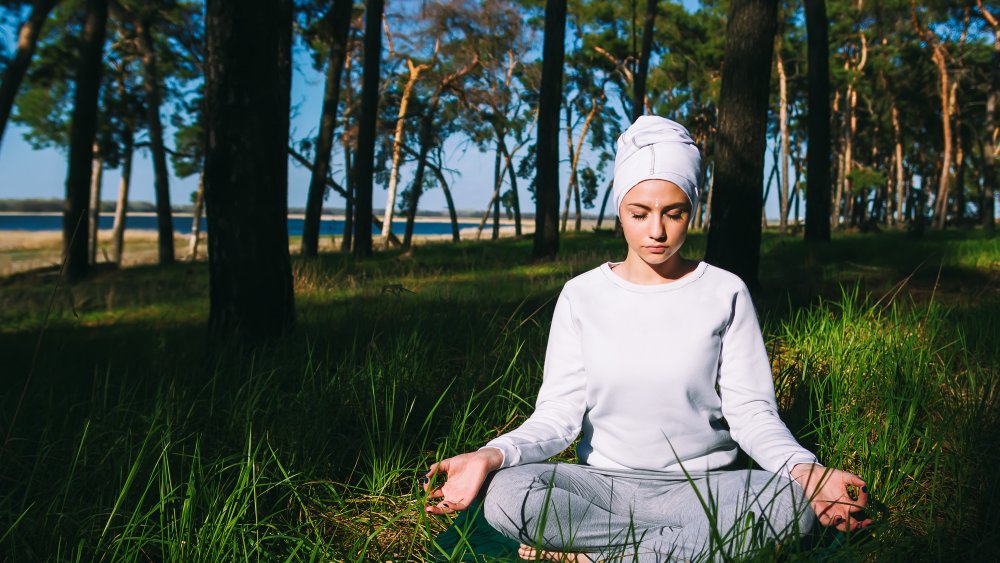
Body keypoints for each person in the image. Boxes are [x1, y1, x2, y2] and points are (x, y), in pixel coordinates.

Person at [423, 116, 872, 561]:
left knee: (787, 506)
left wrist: (804, 469)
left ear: (692, 210)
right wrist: (491, 454)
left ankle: (597, 558)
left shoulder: (725, 291)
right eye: (639, 214)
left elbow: (751, 411)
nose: (656, 231)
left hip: (706, 489)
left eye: (673, 213)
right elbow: (557, 415)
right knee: (507, 493)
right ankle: (665, 553)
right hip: (600, 490)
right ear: (620, 210)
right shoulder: (582, 295)